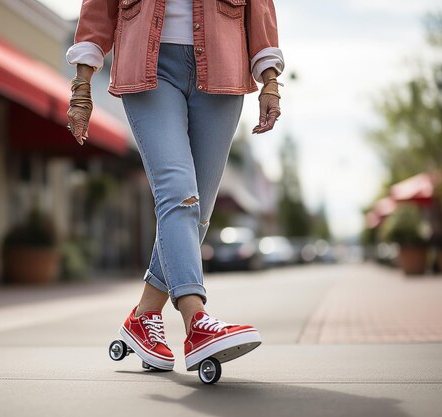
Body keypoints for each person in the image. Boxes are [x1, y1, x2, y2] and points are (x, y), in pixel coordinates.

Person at [66, 0, 284, 372]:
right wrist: (82, 85)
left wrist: (270, 80)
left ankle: (144, 317)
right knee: (179, 195)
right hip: (148, 66)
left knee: (198, 214)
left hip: (224, 66)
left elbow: (260, 8)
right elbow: (98, 8)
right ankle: (196, 321)